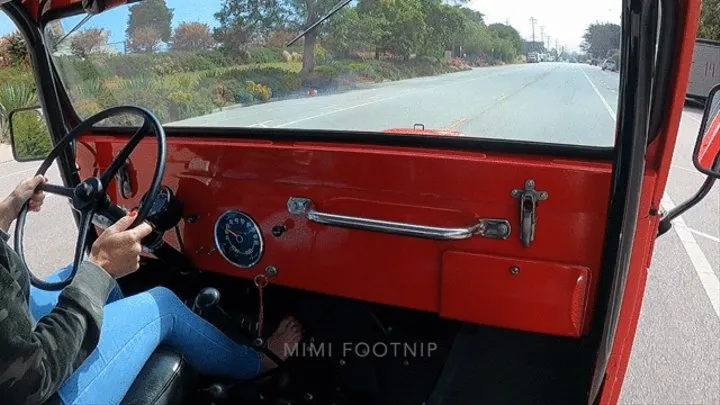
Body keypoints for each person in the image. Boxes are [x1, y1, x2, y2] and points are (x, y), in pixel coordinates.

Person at [0, 175, 302, 405]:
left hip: (15, 342)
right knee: (162, 305)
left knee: (75, 274)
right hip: (35, 389)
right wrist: (101, 267)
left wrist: (5, 214)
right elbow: (31, 378)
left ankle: (130, 341)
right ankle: (254, 362)